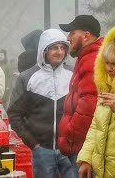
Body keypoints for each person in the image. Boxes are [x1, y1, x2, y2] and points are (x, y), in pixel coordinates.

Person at [8, 29, 75, 178]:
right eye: (54, 48)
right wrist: (33, 144)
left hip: (71, 150)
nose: (59, 52)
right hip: (42, 151)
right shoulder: (27, 78)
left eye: (62, 47)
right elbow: (14, 113)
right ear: (44, 50)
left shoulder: (74, 75)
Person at [58, 15, 104, 173]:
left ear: (86, 35)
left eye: (72, 33)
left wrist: (71, 133)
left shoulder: (91, 60)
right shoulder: (86, 57)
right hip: (82, 146)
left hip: (83, 147)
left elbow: (89, 105)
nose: (68, 38)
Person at [77, 27, 115, 178]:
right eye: (106, 63)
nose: (109, 68)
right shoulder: (106, 87)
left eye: (114, 63)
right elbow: (96, 126)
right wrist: (86, 159)